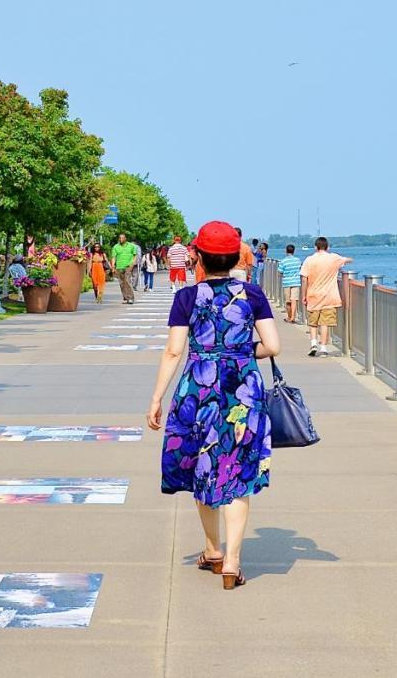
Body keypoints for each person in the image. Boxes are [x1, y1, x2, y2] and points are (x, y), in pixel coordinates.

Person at [147, 220, 280, 590]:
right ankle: (234, 562)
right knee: (237, 470)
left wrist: (157, 397)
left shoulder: (186, 298)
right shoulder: (253, 295)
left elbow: (174, 350)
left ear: (199, 258)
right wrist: (238, 353)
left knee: (203, 464)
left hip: (198, 390)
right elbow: (272, 346)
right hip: (243, 390)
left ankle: (213, 549)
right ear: (237, 256)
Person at [299, 236, 353, 357]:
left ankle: (313, 344)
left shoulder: (309, 260)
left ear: (315, 247)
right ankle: (323, 348)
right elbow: (349, 259)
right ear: (327, 247)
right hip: (330, 297)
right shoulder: (333, 258)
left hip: (313, 295)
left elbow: (304, 279)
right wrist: (347, 260)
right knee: (325, 323)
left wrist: (304, 295)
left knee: (313, 323)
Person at [279, 243, 303, 324]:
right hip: (296, 282)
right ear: (294, 251)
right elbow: (300, 269)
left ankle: (289, 317)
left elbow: (280, 272)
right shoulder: (298, 260)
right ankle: (293, 317)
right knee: (294, 300)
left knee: (288, 301)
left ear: (286, 251)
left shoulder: (283, 261)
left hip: (286, 282)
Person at [111, 233, 137, 304]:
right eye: (120, 238)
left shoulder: (131, 246)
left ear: (125, 239)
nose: (121, 239)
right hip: (119, 267)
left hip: (128, 266)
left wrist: (132, 264)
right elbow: (114, 257)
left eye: (122, 238)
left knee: (127, 282)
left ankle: (131, 297)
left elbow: (135, 256)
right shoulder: (116, 247)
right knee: (122, 283)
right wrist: (113, 266)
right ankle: (126, 298)